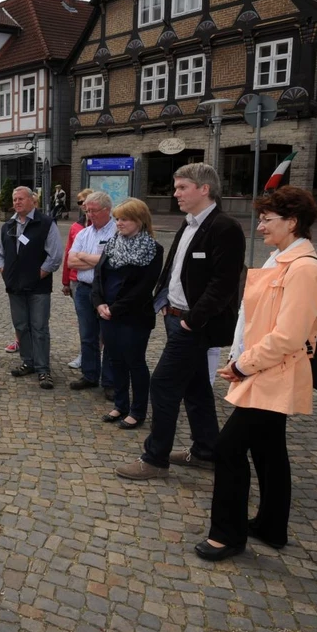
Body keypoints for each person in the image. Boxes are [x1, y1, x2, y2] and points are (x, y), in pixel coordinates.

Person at [196, 186, 317, 561]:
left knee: (228, 449)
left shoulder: (302, 268)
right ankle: (271, 526)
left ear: (293, 222)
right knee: (269, 451)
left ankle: (227, 536)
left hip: (274, 373)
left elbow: (289, 335)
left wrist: (242, 364)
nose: (261, 227)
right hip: (267, 369)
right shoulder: (281, 260)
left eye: (268, 220)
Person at [116, 163, 245, 480]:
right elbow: (176, 269)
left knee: (163, 384)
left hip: (193, 325)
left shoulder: (224, 227)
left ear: (204, 189)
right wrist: (163, 299)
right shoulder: (189, 224)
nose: (175, 194)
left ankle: (155, 458)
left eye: (182, 187)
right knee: (196, 386)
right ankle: (206, 450)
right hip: (175, 317)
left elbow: (223, 284)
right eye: (175, 188)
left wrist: (192, 319)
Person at [92, 198, 163, 429]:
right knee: (115, 361)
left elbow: (144, 287)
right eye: (117, 219)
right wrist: (99, 302)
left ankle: (138, 411)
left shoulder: (153, 249)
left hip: (133, 317)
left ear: (139, 220)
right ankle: (120, 405)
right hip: (107, 314)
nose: (119, 223)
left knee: (135, 363)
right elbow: (99, 277)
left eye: (124, 219)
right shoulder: (112, 244)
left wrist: (115, 308)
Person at [0, 187, 62, 390]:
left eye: (21, 198)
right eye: (14, 199)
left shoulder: (46, 223)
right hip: (14, 287)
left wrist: (36, 276)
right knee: (21, 326)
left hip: (38, 287)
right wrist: (4, 272)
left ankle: (43, 369)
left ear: (33, 200)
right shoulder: (8, 225)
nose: (17, 202)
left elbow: (55, 256)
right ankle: (28, 362)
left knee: (39, 327)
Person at [67, 191, 118, 394]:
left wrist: (84, 257)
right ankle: (90, 375)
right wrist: (96, 259)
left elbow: (112, 262)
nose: (90, 214)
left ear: (107, 210)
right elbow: (71, 262)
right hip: (83, 290)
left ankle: (110, 382)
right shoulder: (83, 233)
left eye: (94, 210)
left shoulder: (116, 231)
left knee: (109, 336)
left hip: (107, 292)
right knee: (87, 336)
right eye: (87, 210)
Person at [60, 189, 93, 366]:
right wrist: (65, 281)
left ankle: (98, 352)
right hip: (76, 280)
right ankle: (85, 354)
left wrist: (84, 259)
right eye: (80, 202)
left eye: (86, 201)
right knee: (84, 321)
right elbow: (69, 256)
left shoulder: (107, 226)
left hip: (99, 281)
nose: (84, 205)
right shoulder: (76, 227)